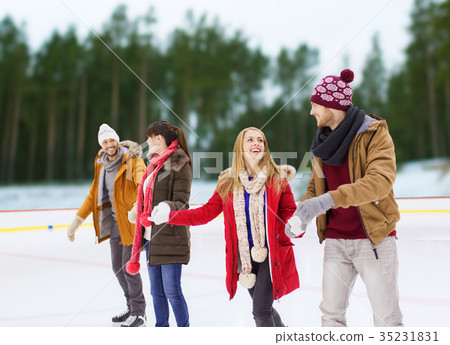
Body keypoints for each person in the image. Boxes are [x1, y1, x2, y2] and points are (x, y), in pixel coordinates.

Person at [286, 69, 403, 327]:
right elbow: (316, 189)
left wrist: (325, 200)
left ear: (331, 105)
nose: (312, 112)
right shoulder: (321, 143)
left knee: (387, 319)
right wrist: (301, 214)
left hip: (374, 240)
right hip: (336, 241)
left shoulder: (374, 134)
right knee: (331, 316)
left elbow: (379, 182)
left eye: (315, 105)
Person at [151, 127, 301, 327]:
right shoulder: (227, 183)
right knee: (264, 308)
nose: (256, 143)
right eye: (250, 140)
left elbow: (289, 212)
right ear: (240, 147)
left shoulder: (277, 180)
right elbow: (204, 214)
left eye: (260, 140)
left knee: (261, 311)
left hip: (271, 255)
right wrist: (170, 216)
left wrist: (296, 223)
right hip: (245, 258)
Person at [66, 123, 147, 327]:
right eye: (105, 141)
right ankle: (130, 307)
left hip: (131, 222)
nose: (109, 144)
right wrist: (77, 221)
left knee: (130, 267)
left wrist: (138, 207)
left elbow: (144, 185)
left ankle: (139, 312)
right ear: (101, 145)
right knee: (117, 268)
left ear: (117, 140)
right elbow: (93, 195)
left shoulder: (133, 162)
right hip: (114, 224)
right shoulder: (101, 165)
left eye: (112, 140)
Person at [126, 121, 192, 327]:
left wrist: (165, 207)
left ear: (159, 138)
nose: (146, 141)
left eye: (149, 137)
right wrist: (138, 208)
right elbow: (148, 196)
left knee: (172, 291)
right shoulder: (155, 164)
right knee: (157, 292)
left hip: (171, 236)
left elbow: (181, 202)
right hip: (150, 237)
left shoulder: (180, 162)